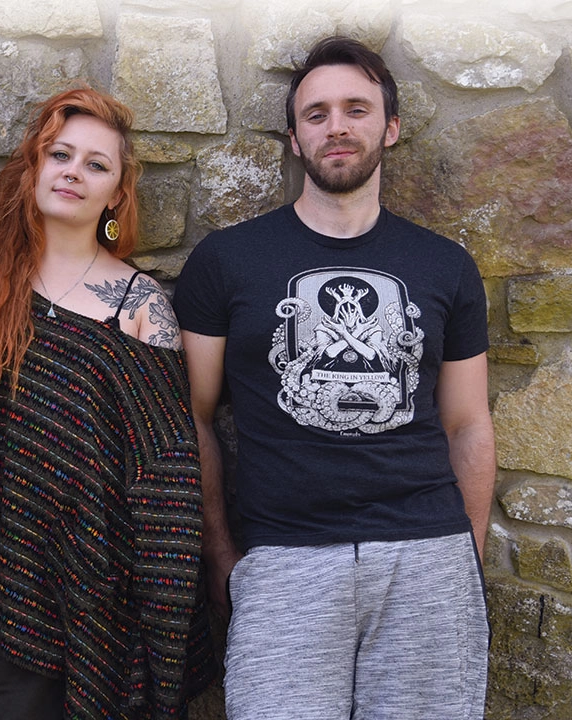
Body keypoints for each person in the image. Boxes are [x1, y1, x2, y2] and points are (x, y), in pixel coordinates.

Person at [174, 36, 495, 719]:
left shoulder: (445, 266)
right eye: (316, 114)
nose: (337, 126)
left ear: (391, 126)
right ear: (295, 139)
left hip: (427, 556)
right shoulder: (227, 261)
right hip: (284, 560)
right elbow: (193, 418)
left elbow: (468, 423)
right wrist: (223, 555)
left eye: (356, 109)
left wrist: (464, 558)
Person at [0, 87, 215, 720]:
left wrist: (165, 599)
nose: (73, 171)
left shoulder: (140, 305)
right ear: (34, 167)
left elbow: (167, 472)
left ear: (116, 193)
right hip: (4, 581)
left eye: (96, 164)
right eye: (60, 154)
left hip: (103, 585)